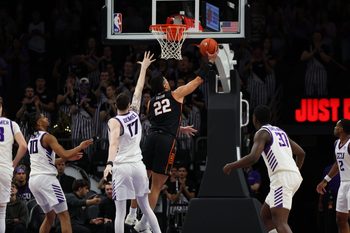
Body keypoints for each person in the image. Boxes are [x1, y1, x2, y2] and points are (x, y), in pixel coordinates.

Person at [132, 51, 216, 233]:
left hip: (150, 138)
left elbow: (160, 121)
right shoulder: (176, 94)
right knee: (156, 186)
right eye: (165, 80)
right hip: (165, 141)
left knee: (142, 181)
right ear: (164, 84)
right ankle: (144, 223)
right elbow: (197, 81)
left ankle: (132, 215)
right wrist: (209, 64)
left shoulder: (150, 103)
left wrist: (179, 128)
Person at [103, 51, 162, 233]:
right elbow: (139, 88)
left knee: (120, 213)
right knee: (145, 207)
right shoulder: (135, 113)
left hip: (121, 166)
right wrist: (144, 67)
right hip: (138, 165)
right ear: (129, 105)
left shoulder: (114, 121)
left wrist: (109, 164)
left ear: (115, 106)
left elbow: (113, 144)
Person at [223, 105, 305, 233]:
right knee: (266, 215)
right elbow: (301, 153)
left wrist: (231, 165)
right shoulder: (279, 131)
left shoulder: (262, 133)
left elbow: (253, 158)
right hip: (289, 176)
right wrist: (295, 172)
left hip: (282, 178)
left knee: (280, 221)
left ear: (254, 119)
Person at [27, 112, 93, 233]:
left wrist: (67, 158)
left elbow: (50, 160)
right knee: (64, 215)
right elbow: (64, 153)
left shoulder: (32, 138)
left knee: (50, 216)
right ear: (38, 122)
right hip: (47, 180)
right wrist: (80, 146)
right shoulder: (48, 137)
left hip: (34, 181)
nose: (46, 118)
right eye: (43, 117)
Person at [316, 119, 350, 233]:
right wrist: (325, 180)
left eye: (337, 126)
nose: (335, 128)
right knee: (340, 219)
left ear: (342, 129)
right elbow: (337, 164)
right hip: (344, 183)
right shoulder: (336, 143)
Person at [0, 101, 27, 233]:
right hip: (5, 168)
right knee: (2, 211)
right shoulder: (11, 124)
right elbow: (23, 146)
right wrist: (14, 164)